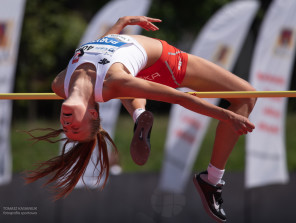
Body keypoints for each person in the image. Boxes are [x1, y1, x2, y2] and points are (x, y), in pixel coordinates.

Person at [25, 16, 256, 222]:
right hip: (167, 64)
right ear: (93, 114)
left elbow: (97, 50)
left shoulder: (59, 84)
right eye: (77, 128)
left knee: (126, 83)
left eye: (67, 129)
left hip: (132, 75)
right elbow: (180, 99)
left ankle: (139, 114)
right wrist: (227, 116)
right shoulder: (111, 83)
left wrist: (120, 23)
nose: (67, 124)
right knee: (247, 97)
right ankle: (212, 180)